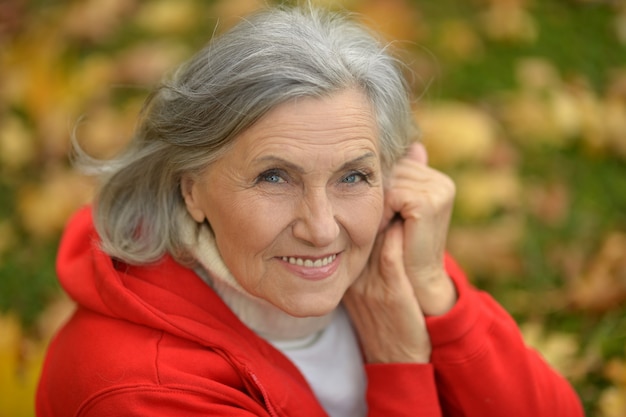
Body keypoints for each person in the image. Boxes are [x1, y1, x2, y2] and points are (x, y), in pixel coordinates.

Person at [36, 4, 584, 417]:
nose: (322, 230)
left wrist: (438, 296)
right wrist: (398, 364)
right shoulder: (142, 389)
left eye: (353, 175)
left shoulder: (387, 254)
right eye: (274, 177)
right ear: (190, 190)